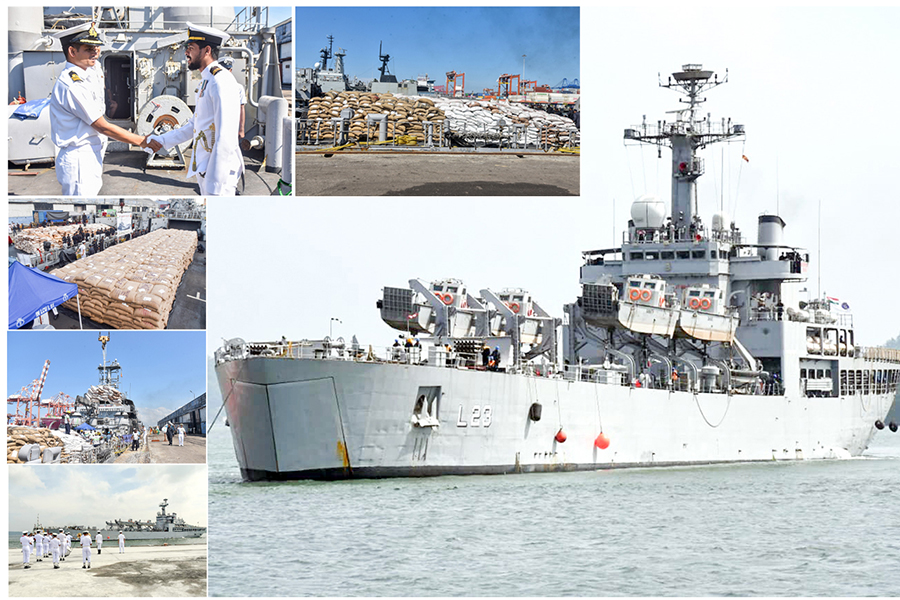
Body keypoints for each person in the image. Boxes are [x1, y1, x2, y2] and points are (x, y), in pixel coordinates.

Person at [49, 23, 148, 195]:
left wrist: (93, 48)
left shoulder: (88, 69)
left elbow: (97, 70)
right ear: (72, 52)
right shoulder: (73, 85)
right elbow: (102, 126)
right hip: (79, 157)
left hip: (92, 153)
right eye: (88, 49)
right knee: (82, 200)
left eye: (96, 48)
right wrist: (141, 141)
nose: (95, 53)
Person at [147, 23, 243, 195]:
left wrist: (215, 185)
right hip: (206, 168)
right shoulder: (206, 80)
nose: (186, 52)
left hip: (220, 175)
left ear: (207, 50)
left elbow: (226, 138)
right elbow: (194, 126)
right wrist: (161, 140)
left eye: (190, 48)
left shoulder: (221, 81)